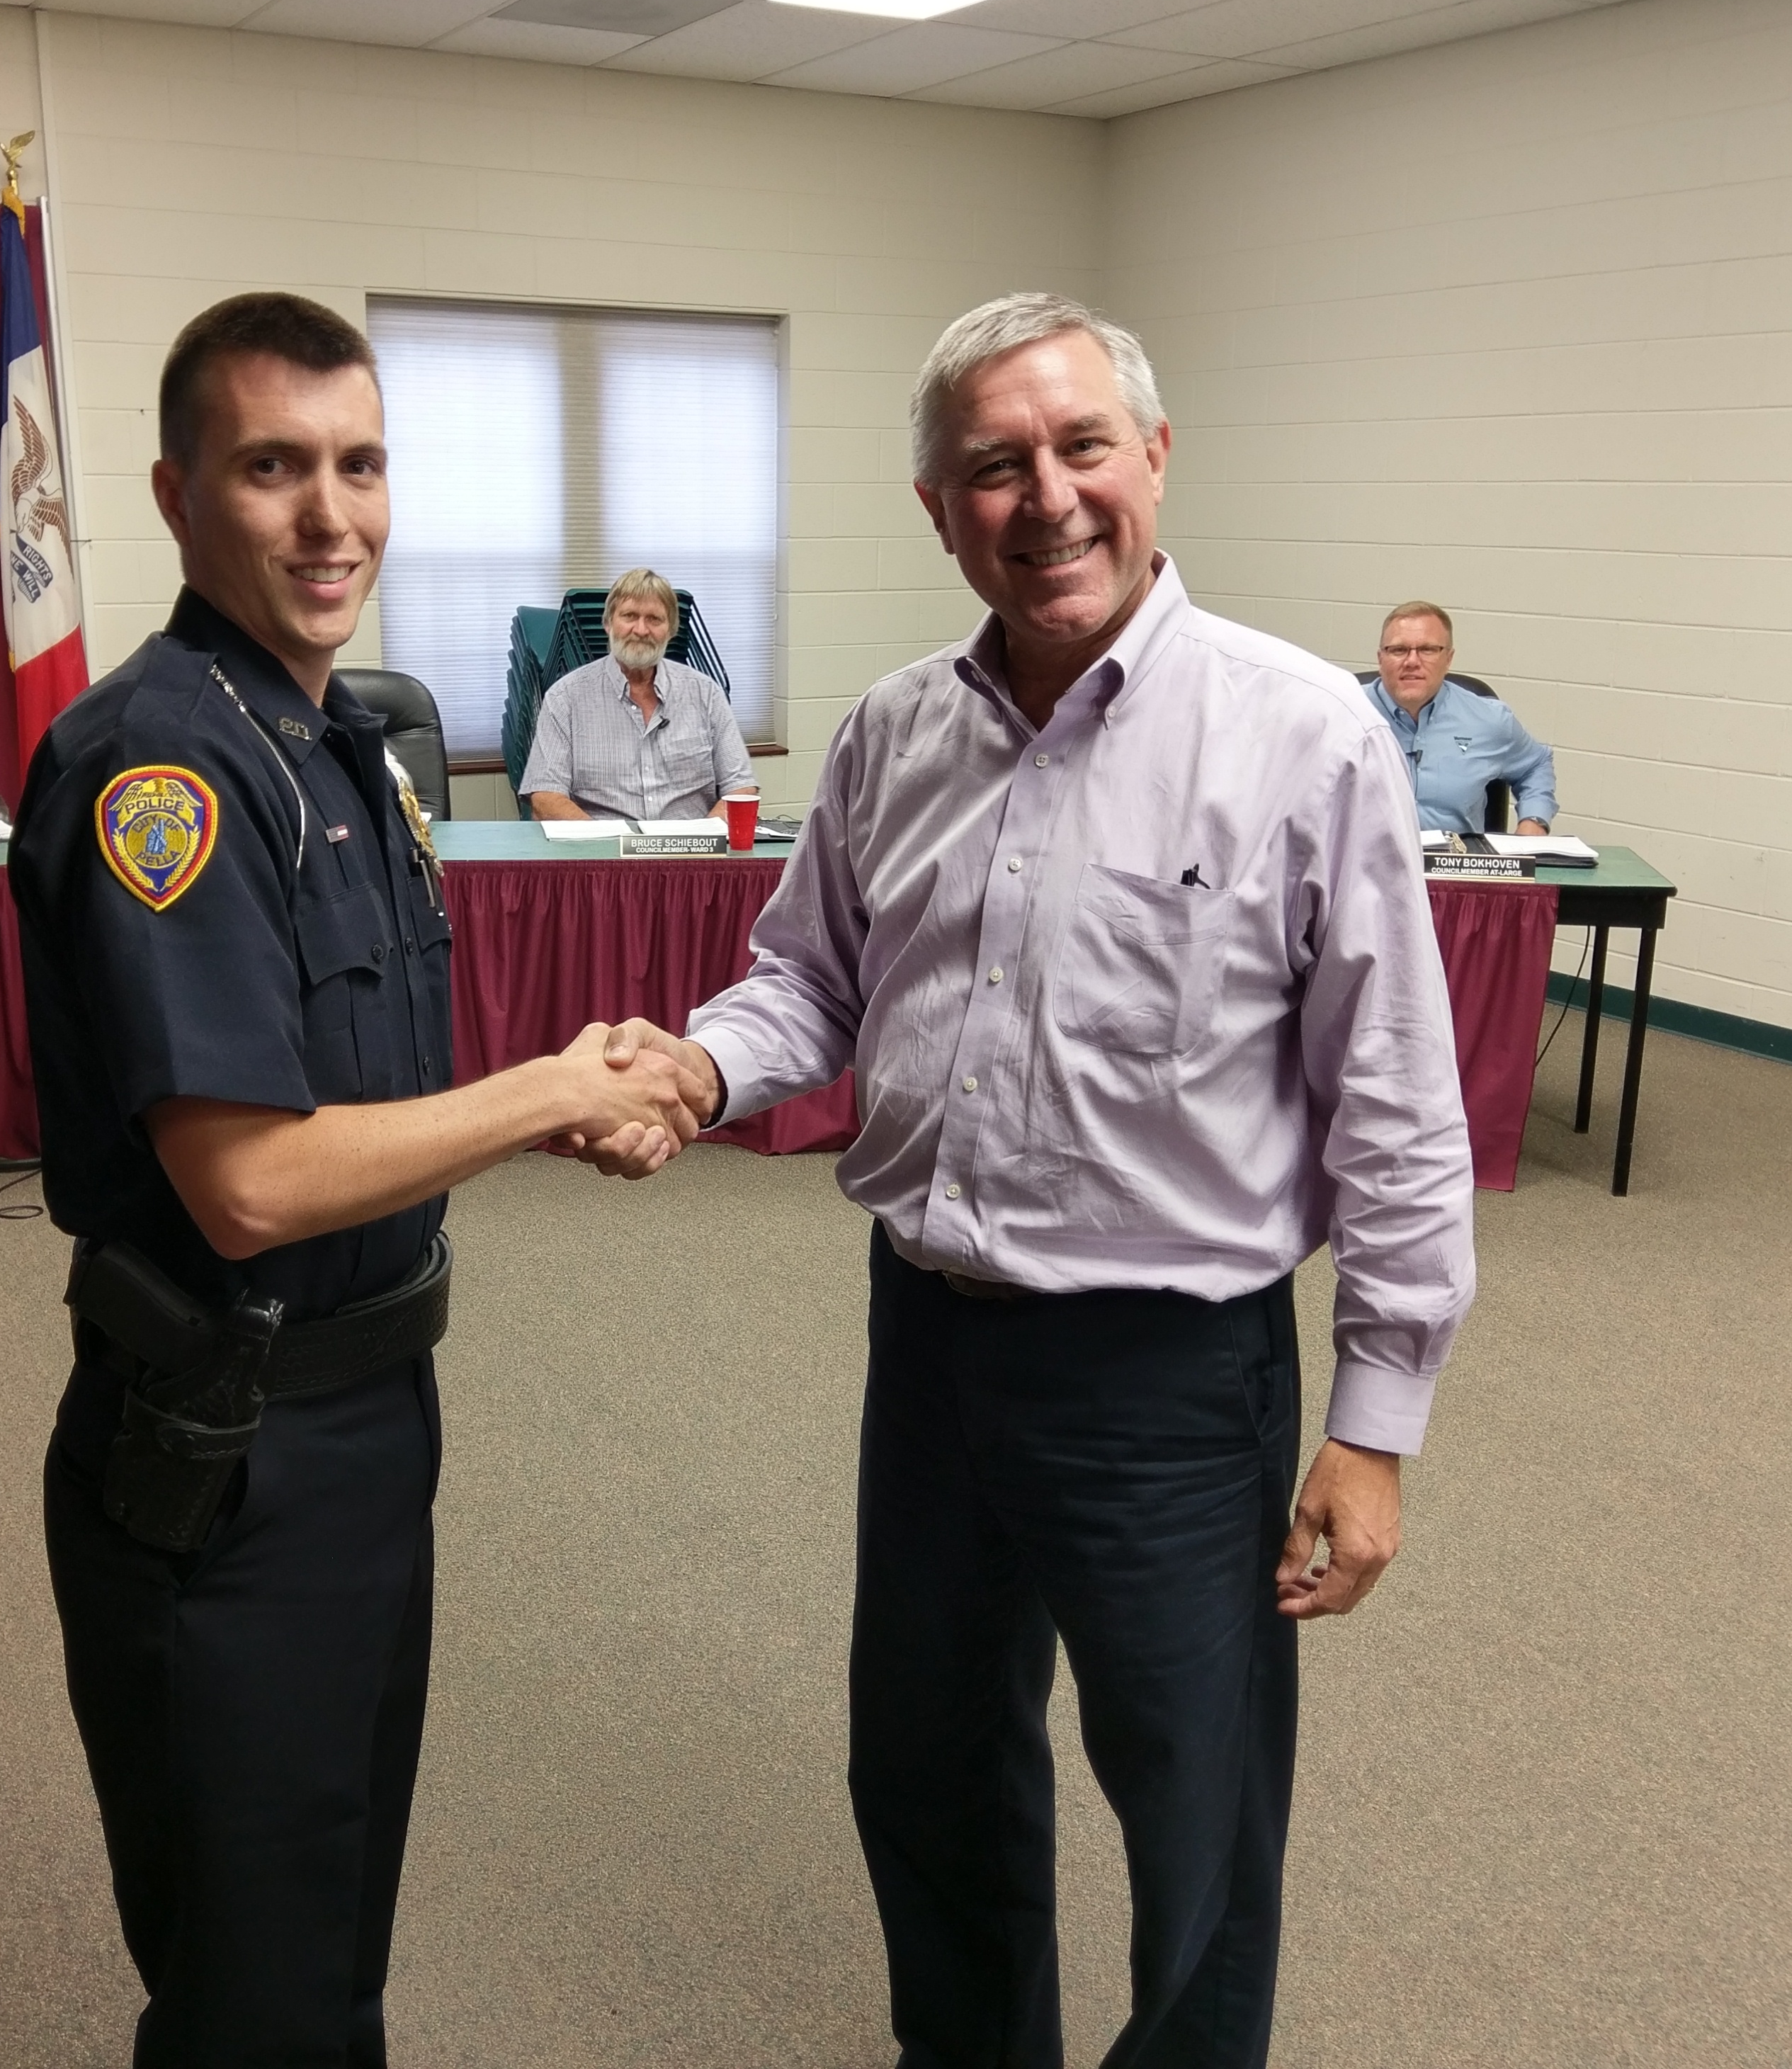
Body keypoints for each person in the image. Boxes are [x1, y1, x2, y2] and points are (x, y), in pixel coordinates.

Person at [599, 294, 1477, 2068]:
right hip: (927, 1348)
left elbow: (1393, 1098)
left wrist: (1376, 1419)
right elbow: (813, 979)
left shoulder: (1303, 736)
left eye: (1082, 448)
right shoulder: (890, 733)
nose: (1047, 497)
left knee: (1194, 1814)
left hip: (1168, 1375)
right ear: (937, 507)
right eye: (994, 464)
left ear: (1154, 460)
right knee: (921, 1759)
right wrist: (703, 1064)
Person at [8, 290, 708, 2069]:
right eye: (272, 467)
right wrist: (549, 1083)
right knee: (254, 1981)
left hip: (364, 1410)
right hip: (220, 1455)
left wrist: (551, 1106)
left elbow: (372, 1095)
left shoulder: (340, 750)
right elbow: (244, 1177)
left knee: (325, 1934)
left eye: (360, 463)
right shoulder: (164, 769)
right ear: (177, 497)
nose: (331, 516)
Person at [518, 567, 756, 827]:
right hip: (601, 855)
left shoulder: (706, 694)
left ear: (671, 630)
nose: (641, 630)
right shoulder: (565, 698)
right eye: (630, 616)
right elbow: (545, 797)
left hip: (693, 855)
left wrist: (699, 843)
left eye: (654, 619)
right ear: (608, 623)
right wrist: (609, 849)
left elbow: (741, 790)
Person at [1365, 600, 1555, 834]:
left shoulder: (1488, 719)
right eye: (1398, 650)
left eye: (1428, 650)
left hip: (1456, 864)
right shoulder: (1342, 714)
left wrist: (1534, 820)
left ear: (1449, 659)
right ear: (1380, 659)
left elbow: (1536, 764)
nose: (1412, 661)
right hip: (1363, 867)